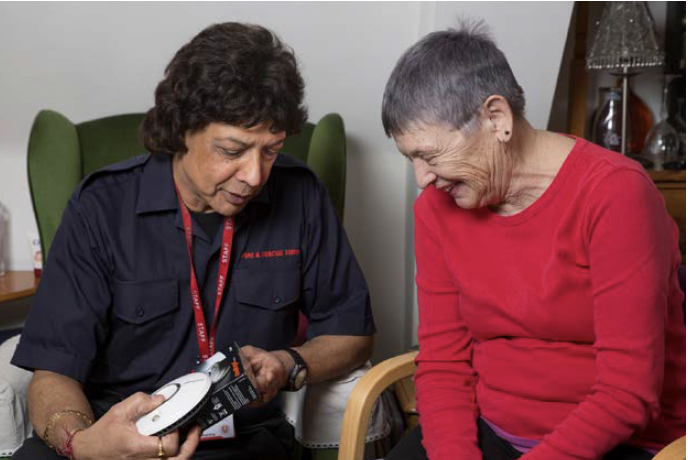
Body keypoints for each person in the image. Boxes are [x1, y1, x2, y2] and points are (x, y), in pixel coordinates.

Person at [11, 22, 375, 460]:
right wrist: (84, 443)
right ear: (182, 129)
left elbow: (351, 331)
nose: (255, 176)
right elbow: (53, 371)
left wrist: (291, 363)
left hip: (240, 441)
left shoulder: (301, 194)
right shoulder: (100, 207)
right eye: (232, 150)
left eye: (271, 150)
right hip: (110, 431)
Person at [380, 21, 685, 460]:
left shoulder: (616, 195)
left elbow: (627, 393)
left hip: (621, 440)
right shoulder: (436, 207)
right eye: (410, 159)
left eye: (428, 155)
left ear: (496, 118)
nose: (422, 178)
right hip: (493, 431)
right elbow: (444, 364)